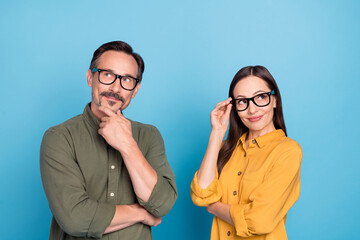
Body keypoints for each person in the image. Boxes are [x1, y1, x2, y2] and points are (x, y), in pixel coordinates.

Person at [40, 41, 177, 240]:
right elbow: (75, 218)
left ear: (135, 89)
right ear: (90, 77)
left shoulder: (149, 136)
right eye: (107, 75)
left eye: (127, 80)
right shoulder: (59, 138)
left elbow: (162, 204)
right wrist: (141, 213)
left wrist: (127, 145)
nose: (115, 87)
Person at [190, 66, 302, 239]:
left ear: (274, 100)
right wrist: (217, 133)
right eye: (242, 101)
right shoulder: (226, 148)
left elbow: (259, 220)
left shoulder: (288, 151)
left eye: (260, 97)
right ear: (233, 106)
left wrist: (215, 207)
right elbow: (201, 195)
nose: (252, 109)